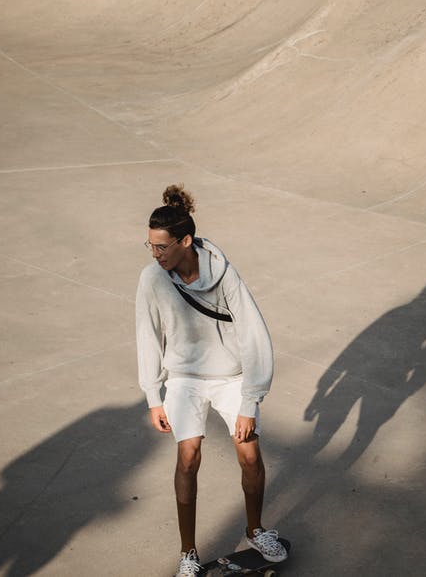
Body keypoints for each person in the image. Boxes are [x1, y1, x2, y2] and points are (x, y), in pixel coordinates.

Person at [135, 184, 287, 577]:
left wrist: (251, 400)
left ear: (185, 241)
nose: (156, 255)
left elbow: (254, 333)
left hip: (230, 377)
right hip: (183, 378)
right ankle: (188, 553)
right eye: (150, 246)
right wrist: (153, 395)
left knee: (249, 452)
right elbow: (147, 335)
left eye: (162, 247)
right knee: (188, 457)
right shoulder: (152, 280)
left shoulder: (224, 274)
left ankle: (255, 530)